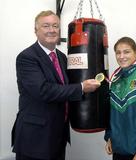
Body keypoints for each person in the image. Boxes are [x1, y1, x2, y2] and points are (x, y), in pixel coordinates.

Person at [11, 10, 100, 160]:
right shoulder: (27, 57)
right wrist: (81, 87)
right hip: (35, 138)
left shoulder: (62, 58)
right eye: (46, 26)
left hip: (58, 135)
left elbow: (66, 88)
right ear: (36, 30)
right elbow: (43, 91)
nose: (52, 30)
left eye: (55, 26)